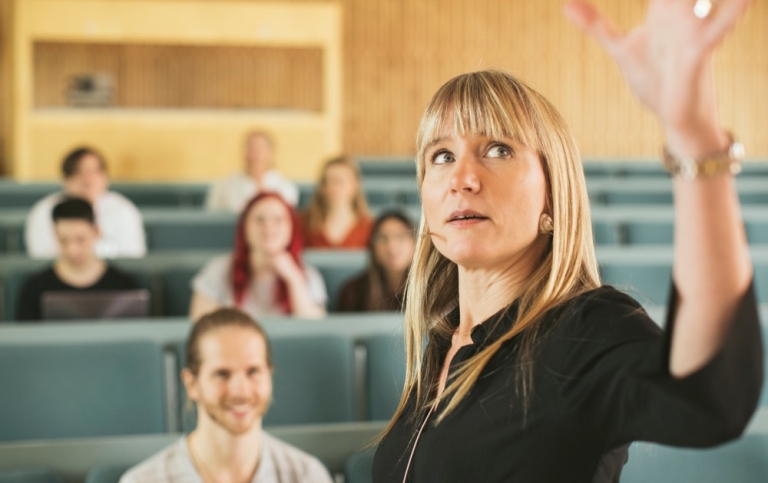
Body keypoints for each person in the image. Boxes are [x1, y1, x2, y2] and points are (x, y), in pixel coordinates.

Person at [372, 1, 762, 482]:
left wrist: (694, 137)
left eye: (498, 149)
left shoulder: (582, 331)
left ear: (554, 196)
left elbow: (708, 399)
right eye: (442, 155)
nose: (462, 178)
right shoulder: (441, 342)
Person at [119, 308, 334, 483]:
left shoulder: (305, 475)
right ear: (191, 384)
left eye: (253, 372)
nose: (240, 391)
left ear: (269, 376)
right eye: (222, 374)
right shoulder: (141, 480)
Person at [190, 192, 327, 321]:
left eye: (278, 220)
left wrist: (294, 279)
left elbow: (313, 330)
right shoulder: (219, 269)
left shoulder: (308, 275)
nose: (268, 227)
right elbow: (199, 322)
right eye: (259, 220)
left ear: (291, 229)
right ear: (245, 229)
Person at [16, 197, 141, 321]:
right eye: (63, 240)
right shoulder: (35, 288)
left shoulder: (125, 286)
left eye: (80, 240)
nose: (72, 250)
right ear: (54, 235)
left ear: (96, 232)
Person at [24, 147, 147, 259]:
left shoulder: (123, 209)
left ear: (105, 178)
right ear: (65, 179)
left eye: (94, 172)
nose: (87, 180)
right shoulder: (44, 211)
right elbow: (41, 259)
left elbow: (133, 258)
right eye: (78, 172)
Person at [337, 211, 415, 312]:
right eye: (382, 238)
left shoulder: (431, 290)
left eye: (400, 236)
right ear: (372, 247)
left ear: (414, 242)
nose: (391, 246)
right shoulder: (352, 292)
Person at [206, 130, 300, 212]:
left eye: (260, 148)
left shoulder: (286, 188)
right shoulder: (223, 186)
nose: (255, 154)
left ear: (271, 153)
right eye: (250, 148)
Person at [301, 156, 374, 249]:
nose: (333, 186)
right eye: (327, 181)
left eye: (339, 181)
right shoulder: (304, 223)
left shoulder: (369, 227)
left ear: (355, 185)